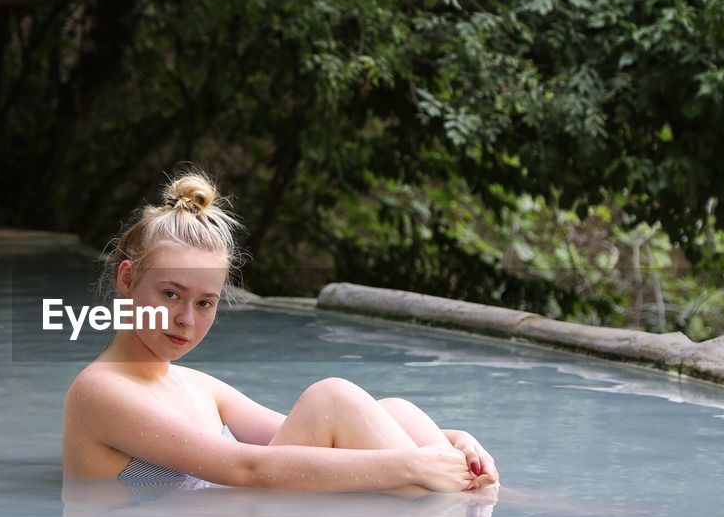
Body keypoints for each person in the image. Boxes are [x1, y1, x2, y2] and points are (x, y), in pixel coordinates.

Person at [62, 166, 499, 493]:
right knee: (332, 397)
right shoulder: (99, 391)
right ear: (126, 279)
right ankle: (474, 511)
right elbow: (244, 469)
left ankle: (477, 498)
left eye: (205, 303)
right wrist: (413, 466)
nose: (186, 320)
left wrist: (454, 441)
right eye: (171, 294)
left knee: (395, 409)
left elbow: (302, 434)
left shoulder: (195, 386)